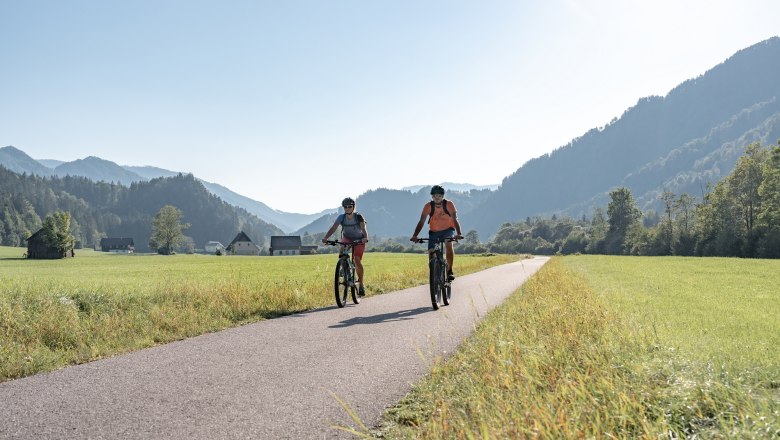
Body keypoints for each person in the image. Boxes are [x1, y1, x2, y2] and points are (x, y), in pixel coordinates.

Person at [410, 185, 464, 280]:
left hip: (448, 230)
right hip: (434, 232)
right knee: (431, 252)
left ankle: (449, 271)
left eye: (439, 195)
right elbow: (421, 222)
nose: (437, 198)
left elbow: (455, 219)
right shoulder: (428, 206)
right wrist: (415, 235)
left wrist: (459, 233)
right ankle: (434, 274)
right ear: (432, 196)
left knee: (448, 244)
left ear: (442, 196)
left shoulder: (449, 204)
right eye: (434, 196)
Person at [322, 197, 369, 296]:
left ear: (353, 207)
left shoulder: (358, 216)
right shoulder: (341, 217)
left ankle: (361, 284)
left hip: (359, 239)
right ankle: (343, 267)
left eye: (349, 206)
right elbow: (333, 228)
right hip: (347, 237)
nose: (347, 208)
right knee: (342, 249)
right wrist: (326, 238)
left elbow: (363, 228)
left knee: (356, 260)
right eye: (345, 207)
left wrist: (365, 237)